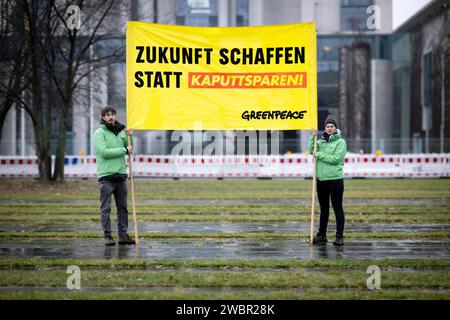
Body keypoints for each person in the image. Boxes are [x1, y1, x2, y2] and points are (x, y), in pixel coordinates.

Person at [94, 106, 135, 246]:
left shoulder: (121, 132)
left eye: (112, 114)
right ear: (103, 117)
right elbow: (104, 152)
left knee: (123, 208)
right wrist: (124, 150)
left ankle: (123, 236)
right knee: (106, 208)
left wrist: (130, 137)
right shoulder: (99, 133)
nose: (110, 117)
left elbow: (129, 150)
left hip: (121, 176)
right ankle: (108, 236)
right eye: (107, 115)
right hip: (106, 176)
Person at [308, 115, 347, 246]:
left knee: (337, 208)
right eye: (327, 126)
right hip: (321, 179)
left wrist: (318, 154)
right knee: (323, 209)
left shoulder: (341, 142)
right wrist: (311, 136)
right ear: (324, 128)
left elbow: (336, 159)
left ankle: (339, 236)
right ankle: (322, 235)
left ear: (336, 128)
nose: (329, 128)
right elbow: (310, 150)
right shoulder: (320, 141)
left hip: (335, 180)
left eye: (332, 126)